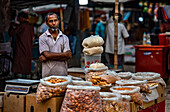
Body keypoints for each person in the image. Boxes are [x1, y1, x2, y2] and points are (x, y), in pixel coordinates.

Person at [39, 12, 72, 78]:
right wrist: (63, 55)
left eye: (55, 20)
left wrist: (48, 57)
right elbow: (47, 54)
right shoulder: (42, 37)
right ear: (47, 23)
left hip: (62, 74)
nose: (53, 23)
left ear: (59, 21)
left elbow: (68, 56)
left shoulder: (64, 37)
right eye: (50, 21)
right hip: (48, 74)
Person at [8, 11, 34, 77]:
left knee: (19, 65)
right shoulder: (30, 26)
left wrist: (11, 26)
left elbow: (12, 33)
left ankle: (19, 79)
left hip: (21, 49)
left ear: (21, 18)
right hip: (28, 48)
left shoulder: (22, 25)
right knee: (26, 65)